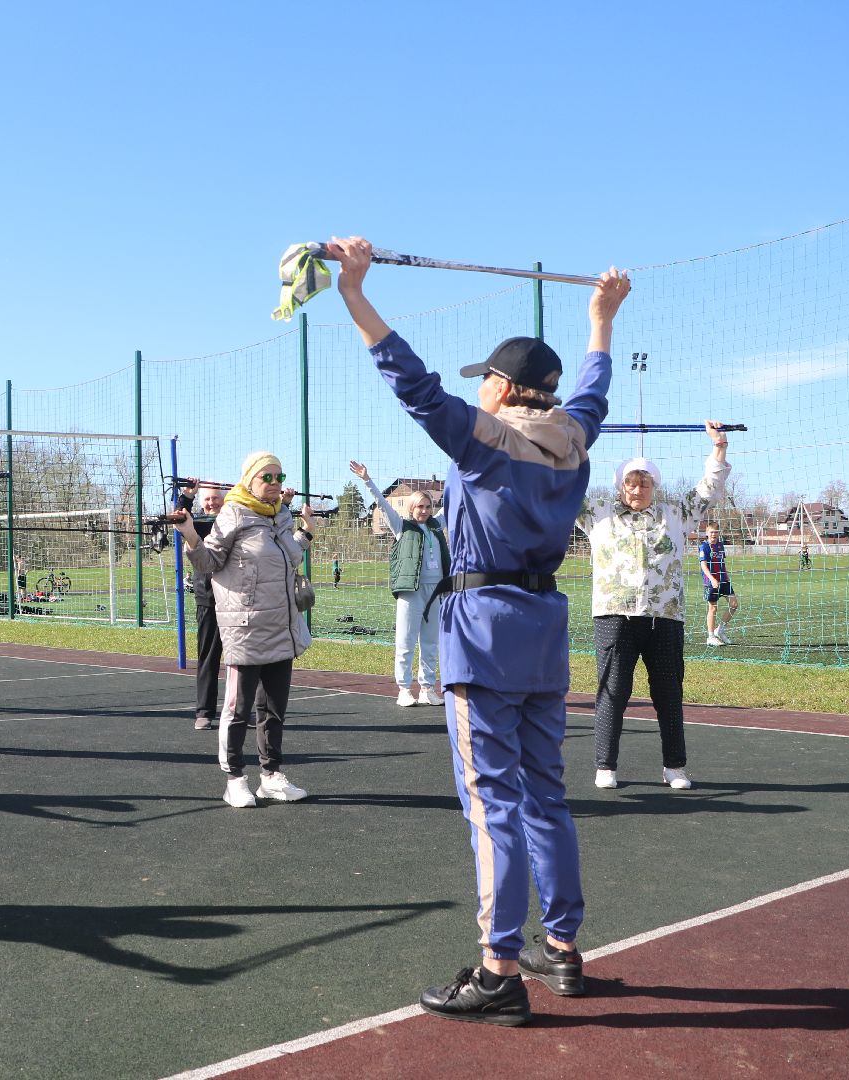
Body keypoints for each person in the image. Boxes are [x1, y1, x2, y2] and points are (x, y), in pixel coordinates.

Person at [326, 235, 631, 1025]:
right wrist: (601, 319)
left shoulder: (483, 439)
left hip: (484, 632)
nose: (480, 391)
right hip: (542, 629)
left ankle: (499, 968)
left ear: (503, 386)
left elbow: (413, 383)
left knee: (491, 801)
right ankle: (560, 948)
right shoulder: (574, 440)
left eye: (487, 380)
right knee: (545, 798)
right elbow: (593, 390)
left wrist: (355, 295)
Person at [582, 424, 730, 792]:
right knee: (612, 691)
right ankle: (606, 765)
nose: (638, 489)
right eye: (631, 483)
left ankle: (674, 766)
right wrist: (570, 439)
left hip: (664, 617)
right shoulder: (597, 514)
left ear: (655, 486)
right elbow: (562, 484)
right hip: (615, 615)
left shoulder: (675, 513)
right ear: (620, 486)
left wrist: (719, 448)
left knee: (668, 693)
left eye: (645, 483)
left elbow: (707, 491)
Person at [174, 453, 315, 808]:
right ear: (250, 480)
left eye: (279, 476)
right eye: (267, 477)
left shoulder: (279, 515)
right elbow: (209, 562)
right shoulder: (233, 512)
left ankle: (271, 776)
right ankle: (235, 778)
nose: (275, 482)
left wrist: (307, 532)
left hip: (282, 627)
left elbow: (291, 555)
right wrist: (190, 534)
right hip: (246, 629)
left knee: (274, 709)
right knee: (238, 710)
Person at [350, 462, 448, 707]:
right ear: (411, 507)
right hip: (411, 591)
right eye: (419, 507)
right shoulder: (401, 526)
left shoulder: (437, 525)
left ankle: (427, 688)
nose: (424, 511)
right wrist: (367, 480)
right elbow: (382, 504)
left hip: (436, 591)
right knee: (405, 641)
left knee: (430, 642)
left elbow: (455, 504)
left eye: (427, 506)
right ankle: (404, 689)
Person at [176, 483, 228, 730]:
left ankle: (242, 709)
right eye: (208, 499)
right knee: (208, 656)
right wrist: (187, 495)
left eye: (216, 498)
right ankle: (205, 712)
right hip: (208, 598)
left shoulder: (234, 521)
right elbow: (179, 517)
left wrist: (285, 503)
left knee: (246, 660)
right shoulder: (197, 522)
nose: (212, 503)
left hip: (237, 599)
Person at [699, 524, 740, 647]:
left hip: (724, 580)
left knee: (734, 604)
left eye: (716, 532)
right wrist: (712, 579)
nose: (714, 534)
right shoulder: (704, 547)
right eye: (711, 532)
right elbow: (703, 565)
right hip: (711, 582)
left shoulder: (720, 545)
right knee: (713, 608)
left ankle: (720, 630)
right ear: (707, 533)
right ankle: (710, 637)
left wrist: (726, 576)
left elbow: (722, 562)